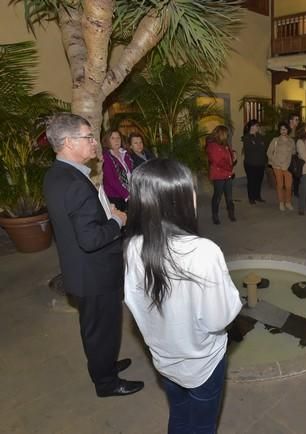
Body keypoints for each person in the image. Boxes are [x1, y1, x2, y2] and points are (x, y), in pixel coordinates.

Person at [123, 158, 241, 434]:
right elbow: (218, 319)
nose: (195, 195)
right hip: (202, 364)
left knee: (178, 415)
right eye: (190, 189)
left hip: (164, 359)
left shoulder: (132, 249)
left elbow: (136, 308)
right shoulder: (203, 252)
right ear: (175, 199)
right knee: (202, 425)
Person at [43, 113, 143, 397]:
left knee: (96, 329)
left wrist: (103, 213)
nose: (93, 143)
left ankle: (104, 367)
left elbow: (77, 222)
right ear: (68, 143)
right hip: (94, 275)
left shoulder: (58, 174)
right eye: (87, 137)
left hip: (82, 271)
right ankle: (107, 383)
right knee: (102, 330)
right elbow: (90, 239)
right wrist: (117, 221)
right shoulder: (74, 183)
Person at [205, 125, 237, 224]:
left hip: (227, 174)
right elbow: (218, 161)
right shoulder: (212, 146)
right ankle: (215, 215)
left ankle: (231, 213)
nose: (227, 136)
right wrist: (230, 170)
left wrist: (233, 154)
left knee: (229, 196)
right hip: (219, 175)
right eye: (226, 134)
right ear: (221, 134)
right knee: (217, 196)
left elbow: (229, 154)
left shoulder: (224, 143)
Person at [267, 122, 295, 211]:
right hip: (277, 166)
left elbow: (294, 152)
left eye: (285, 129)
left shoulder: (291, 141)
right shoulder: (275, 140)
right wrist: (275, 161)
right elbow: (268, 152)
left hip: (288, 166)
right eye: (281, 129)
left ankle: (288, 202)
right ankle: (281, 202)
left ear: (288, 130)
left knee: (289, 186)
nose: (283, 131)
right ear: (279, 130)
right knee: (280, 185)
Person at [102, 129, 133, 211]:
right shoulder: (106, 157)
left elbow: (131, 173)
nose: (116, 140)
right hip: (115, 197)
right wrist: (126, 195)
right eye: (113, 138)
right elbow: (111, 180)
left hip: (130, 193)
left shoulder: (125, 154)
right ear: (107, 140)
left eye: (118, 138)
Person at [241, 119, 267, 205]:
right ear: (251, 127)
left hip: (261, 163)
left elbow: (263, 147)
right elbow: (251, 149)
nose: (258, 127)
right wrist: (258, 145)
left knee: (259, 181)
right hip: (250, 164)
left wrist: (257, 145)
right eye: (256, 126)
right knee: (252, 181)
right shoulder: (246, 137)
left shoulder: (260, 136)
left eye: (258, 126)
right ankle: (251, 198)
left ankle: (257, 196)